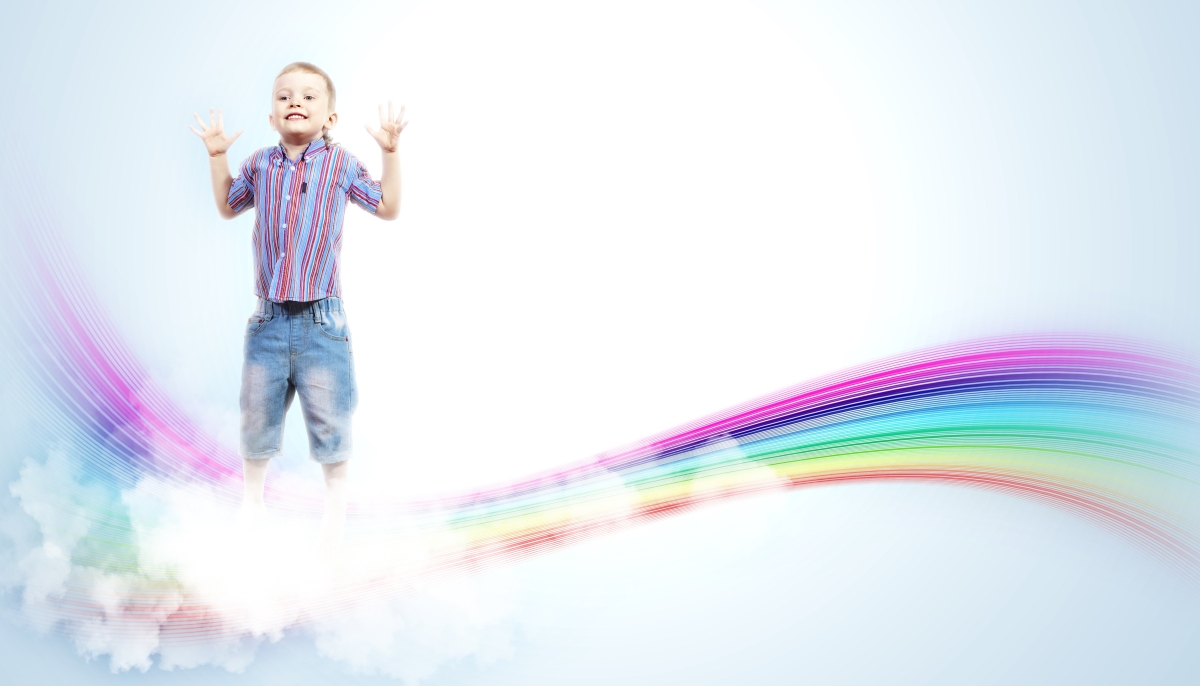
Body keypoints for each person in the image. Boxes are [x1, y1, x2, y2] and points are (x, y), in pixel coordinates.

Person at [190, 62, 406, 553]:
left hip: (321, 321)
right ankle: (252, 502)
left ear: (330, 117)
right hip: (267, 320)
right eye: (285, 95)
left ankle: (335, 511)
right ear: (271, 115)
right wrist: (218, 156)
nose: (296, 102)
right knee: (256, 415)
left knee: (332, 418)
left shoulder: (342, 164)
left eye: (309, 97)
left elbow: (388, 207)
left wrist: (390, 153)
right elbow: (228, 204)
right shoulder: (260, 165)